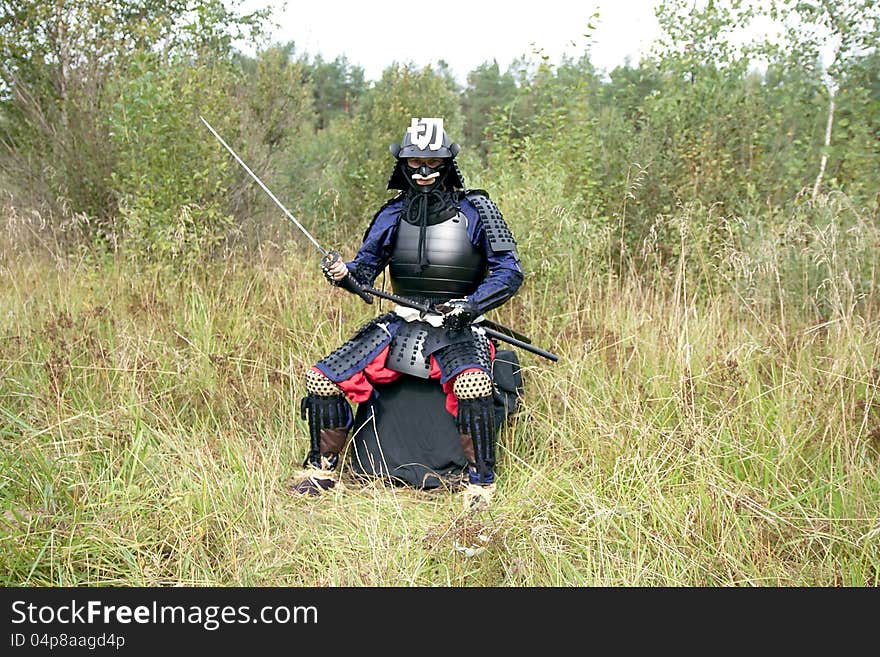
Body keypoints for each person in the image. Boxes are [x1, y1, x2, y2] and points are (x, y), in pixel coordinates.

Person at [290, 117, 524, 501]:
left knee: (473, 384)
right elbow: (364, 271)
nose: (425, 172)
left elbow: (509, 272)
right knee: (321, 378)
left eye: (433, 162)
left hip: (457, 326)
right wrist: (342, 272)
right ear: (403, 164)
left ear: (448, 162)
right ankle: (323, 470)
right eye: (415, 163)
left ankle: (481, 484)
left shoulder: (478, 209)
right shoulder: (392, 213)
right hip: (402, 322)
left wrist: (470, 305)